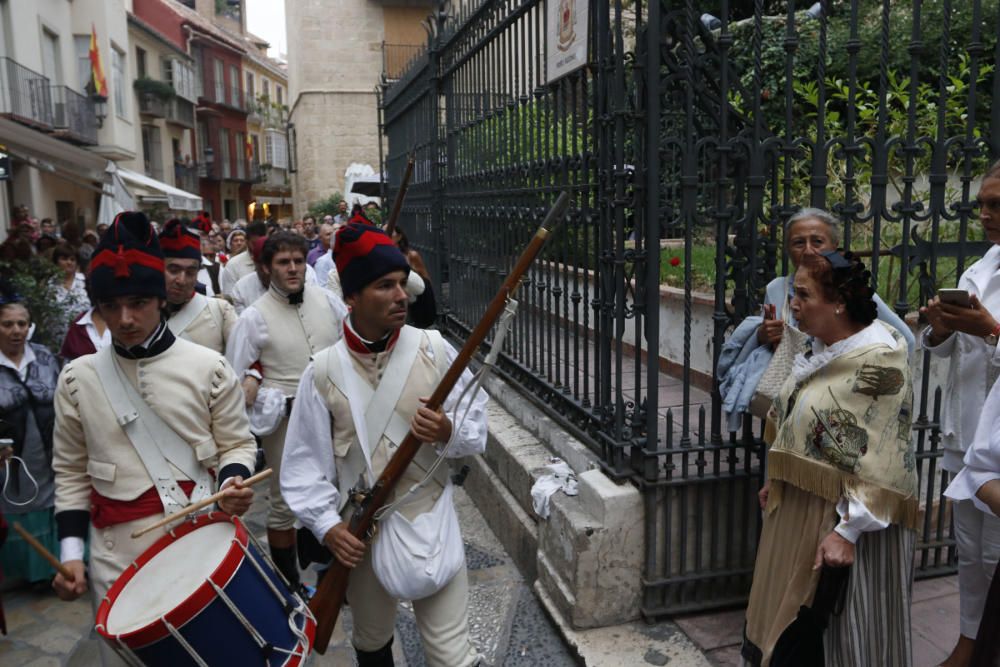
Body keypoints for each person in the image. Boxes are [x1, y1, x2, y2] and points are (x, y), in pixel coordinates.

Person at [50, 212, 257, 667]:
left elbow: (237, 445)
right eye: (110, 305)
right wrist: (70, 555)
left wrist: (234, 480)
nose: (124, 319)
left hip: (199, 542)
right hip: (114, 559)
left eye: (139, 302)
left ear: (160, 298)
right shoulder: (77, 379)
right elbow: (68, 471)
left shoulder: (208, 367)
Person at [281, 223, 488, 667]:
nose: (401, 295)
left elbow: (477, 425)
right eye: (385, 286)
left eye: (401, 284)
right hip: (361, 531)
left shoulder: (433, 347)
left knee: (453, 657)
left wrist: (447, 430)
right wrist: (329, 528)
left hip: (430, 516)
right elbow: (302, 467)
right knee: (373, 642)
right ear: (352, 298)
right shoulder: (321, 371)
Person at [741, 251, 918, 667]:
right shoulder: (818, 349)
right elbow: (795, 420)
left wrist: (848, 531)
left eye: (802, 295)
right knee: (783, 623)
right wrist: (778, 478)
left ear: (838, 300)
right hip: (798, 507)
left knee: (832, 633)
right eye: (793, 294)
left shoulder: (880, 359)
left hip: (842, 517)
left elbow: (882, 454)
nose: (793, 305)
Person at [717, 207, 915, 431]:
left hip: (837, 411)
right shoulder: (776, 289)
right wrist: (765, 335)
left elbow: (905, 340)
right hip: (787, 402)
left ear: (833, 245)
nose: (809, 250)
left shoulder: (849, 289)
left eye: (817, 241)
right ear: (788, 249)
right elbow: (771, 338)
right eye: (799, 242)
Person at [226, 231, 346, 588]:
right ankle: (288, 582)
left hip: (334, 414)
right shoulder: (253, 317)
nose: (292, 269)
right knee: (283, 500)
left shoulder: (328, 301)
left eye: (297, 261)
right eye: (283, 262)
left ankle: (333, 572)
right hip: (286, 422)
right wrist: (258, 384)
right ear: (267, 268)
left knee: (338, 487)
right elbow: (235, 375)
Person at [919, 161, 1000, 667]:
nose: (985, 214)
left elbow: (990, 337)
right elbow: (947, 350)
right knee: (969, 551)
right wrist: (941, 329)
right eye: (984, 204)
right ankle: (970, 642)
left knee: (996, 555)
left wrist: (991, 329)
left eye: (998, 205)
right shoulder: (984, 264)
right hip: (965, 432)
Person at [0, 297, 62, 585]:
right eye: (7, 324)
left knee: (51, 501)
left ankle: (54, 568)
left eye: (22, 324)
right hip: (9, 457)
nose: (16, 331)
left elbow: (63, 395)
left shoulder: (44, 356)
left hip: (48, 448)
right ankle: (23, 572)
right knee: (16, 502)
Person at [160, 219, 238, 354]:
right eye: (173, 270)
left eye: (190, 272)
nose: (182, 280)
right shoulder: (142, 314)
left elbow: (243, 359)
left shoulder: (221, 311)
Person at [51, 244, 90, 345]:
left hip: (84, 338)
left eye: (72, 259)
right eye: (64, 259)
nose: (69, 262)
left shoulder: (86, 282)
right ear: (56, 262)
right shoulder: (48, 286)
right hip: (57, 341)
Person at [220, 221, 268, 295]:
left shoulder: (275, 261)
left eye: (262, 242)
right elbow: (229, 297)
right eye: (254, 243)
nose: (259, 246)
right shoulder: (233, 265)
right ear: (247, 241)